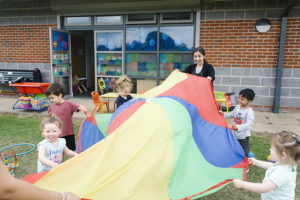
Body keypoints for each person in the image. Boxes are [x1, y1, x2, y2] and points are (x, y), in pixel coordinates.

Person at [233, 131, 300, 200]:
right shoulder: (287, 164)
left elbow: (264, 188)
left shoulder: (281, 173)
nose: (270, 149)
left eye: (272, 148)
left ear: (283, 155)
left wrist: (242, 184)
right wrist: (256, 162)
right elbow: (272, 166)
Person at [0, 161, 80, 200]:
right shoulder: (43, 145)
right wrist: (64, 197)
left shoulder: (61, 142)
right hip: (46, 174)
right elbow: (7, 189)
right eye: (48, 131)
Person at [46, 83, 87, 150]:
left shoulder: (69, 104)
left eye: (52, 98)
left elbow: (78, 106)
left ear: (60, 95)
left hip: (69, 133)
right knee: (59, 150)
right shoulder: (51, 106)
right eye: (49, 98)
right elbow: (48, 118)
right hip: (57, 134)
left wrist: (82, 108)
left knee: (71, 150)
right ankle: (60, 160)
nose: (51, 100)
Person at [220, 88, 255, 157]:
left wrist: (238, 127)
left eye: (242, 99)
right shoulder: (237, 107)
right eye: (239, 98)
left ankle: (245, 163)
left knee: (244, 152)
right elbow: (231, 115)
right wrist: (223, 114)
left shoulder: (249, 112)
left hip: (243, 137)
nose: (239, 100)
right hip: (235, 134)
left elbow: (248, 125)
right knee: (234, 148)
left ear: (249, 101)